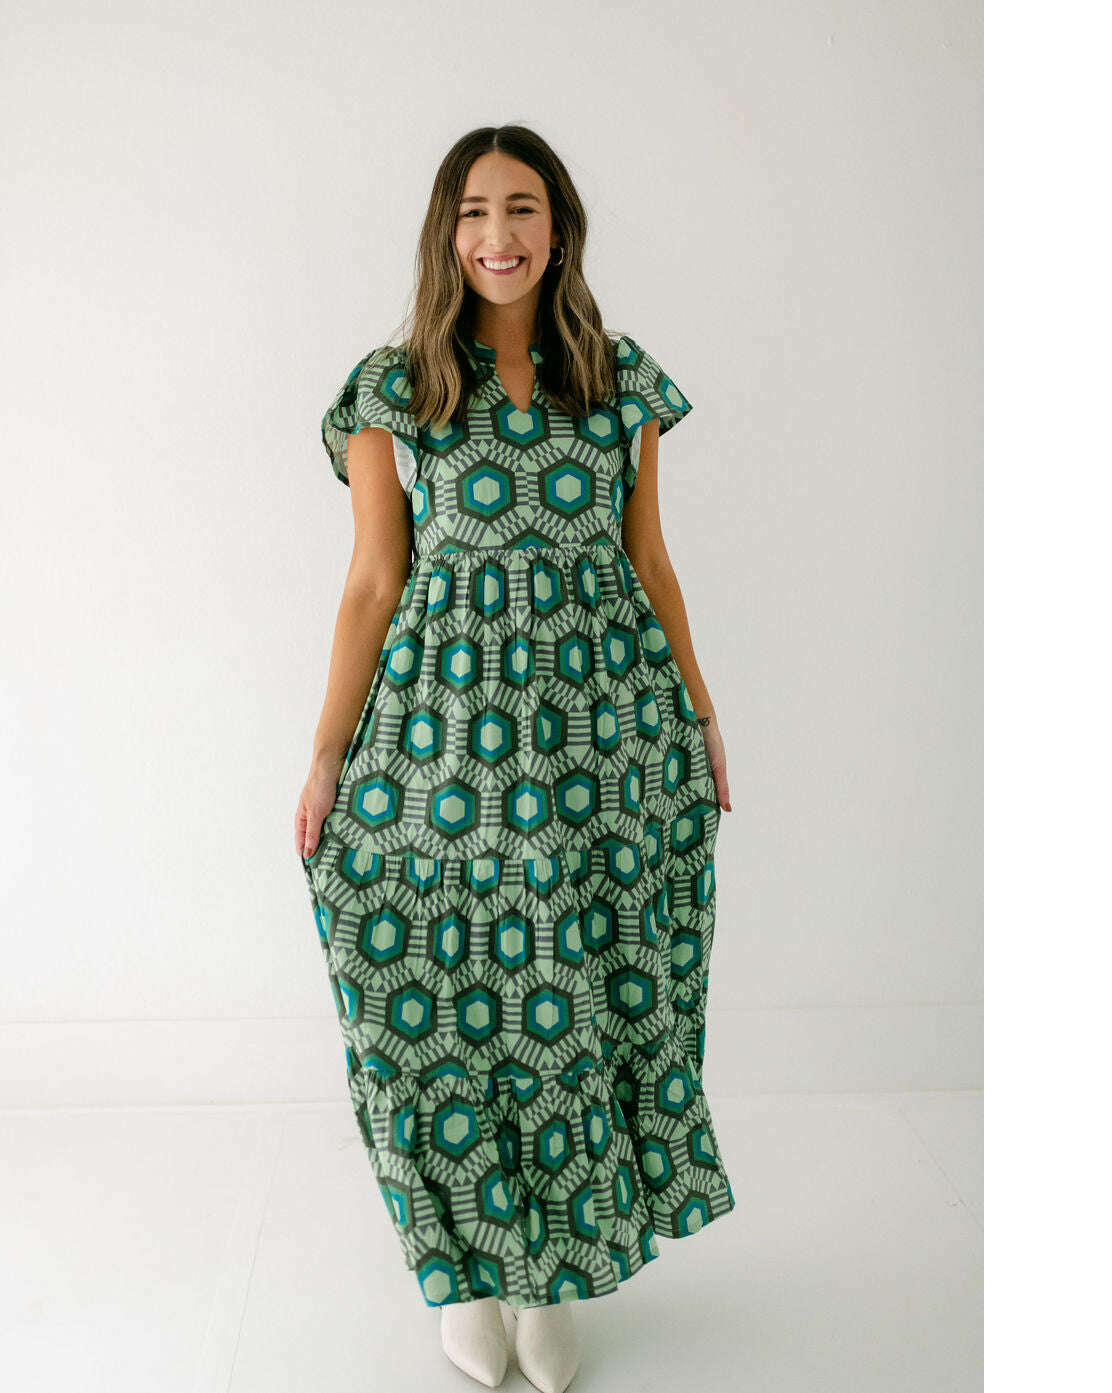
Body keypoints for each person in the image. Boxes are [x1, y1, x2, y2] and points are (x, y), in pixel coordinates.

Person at [294, 124, 736, 1393]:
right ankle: (470, 1272)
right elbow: (373, 581)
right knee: (444, 989)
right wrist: (326, 755)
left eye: (523, 207)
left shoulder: (616, 378)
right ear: (447, 232)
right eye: (476, 210)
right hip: (441, 733)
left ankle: (551, 1276)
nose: (500, 234)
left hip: (605, 731)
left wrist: (701, 714)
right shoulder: (394, 390)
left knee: (577, 988)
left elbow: (648, 560)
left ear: (559, 227)